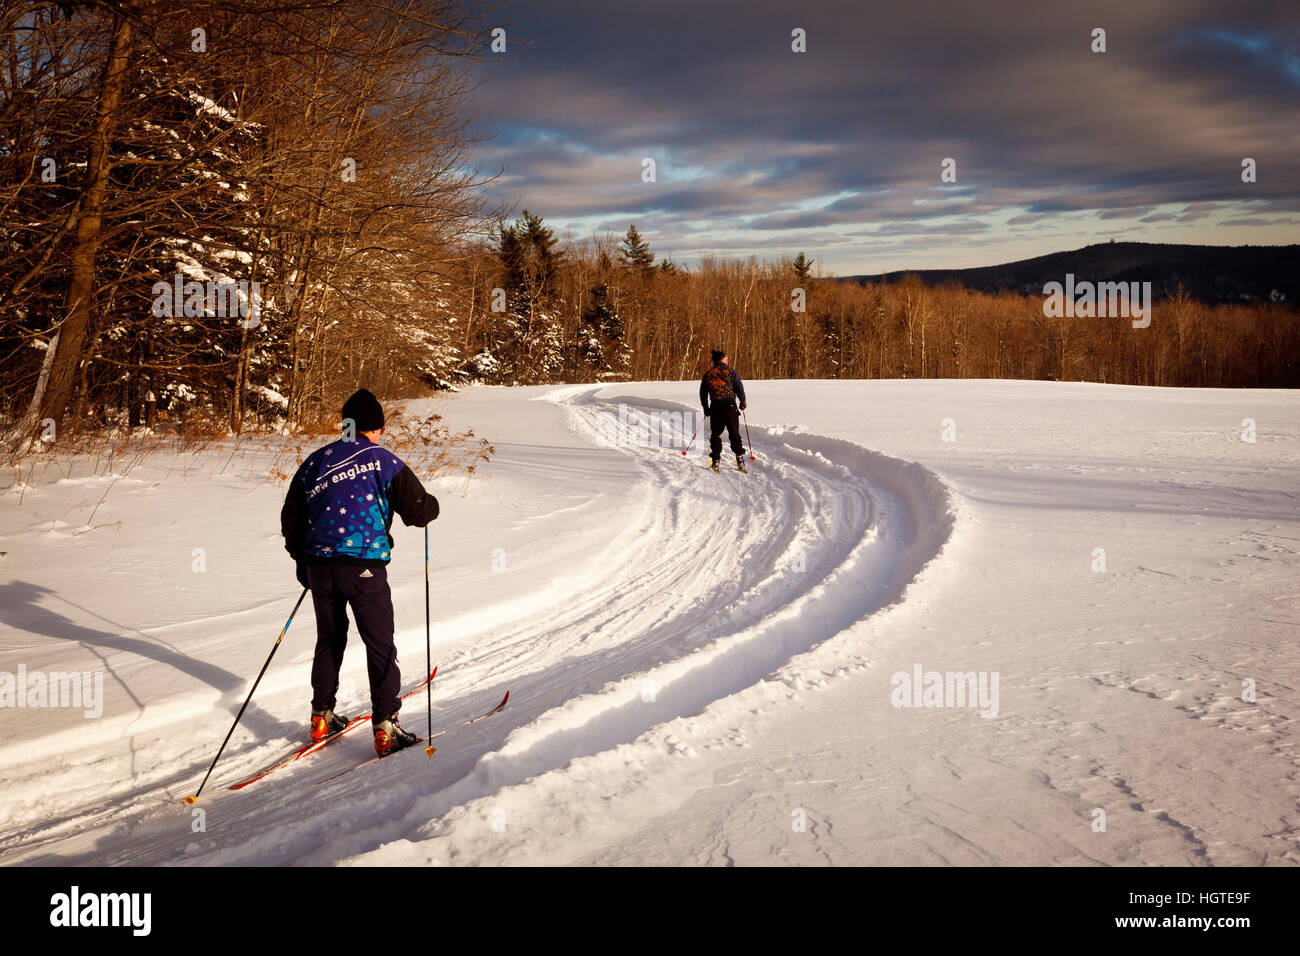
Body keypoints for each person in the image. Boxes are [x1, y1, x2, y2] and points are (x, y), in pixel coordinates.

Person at [280, 388, 439, 756]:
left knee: (330, 639)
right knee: (379, 643)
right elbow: (417, 510)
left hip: (321, 567)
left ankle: (322, 714)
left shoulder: (315, 462)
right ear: (375, 427)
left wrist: (303, 561)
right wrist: (431, 506)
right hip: (364, 566)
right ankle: (386, 725)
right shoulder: (383, 460)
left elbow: (292, 518)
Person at [699, 349, 748, 472]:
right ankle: (740, 458)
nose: (728, 360)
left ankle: (715, 460)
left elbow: (703, 393)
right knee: (734, 433)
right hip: (730, 407)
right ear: (722, 360)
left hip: (716, 408)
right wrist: (743, 401)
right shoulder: (731, 372)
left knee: (715, 434)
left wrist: (706, 407)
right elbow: (739, 388)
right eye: (727, 358)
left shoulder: (708, 374)